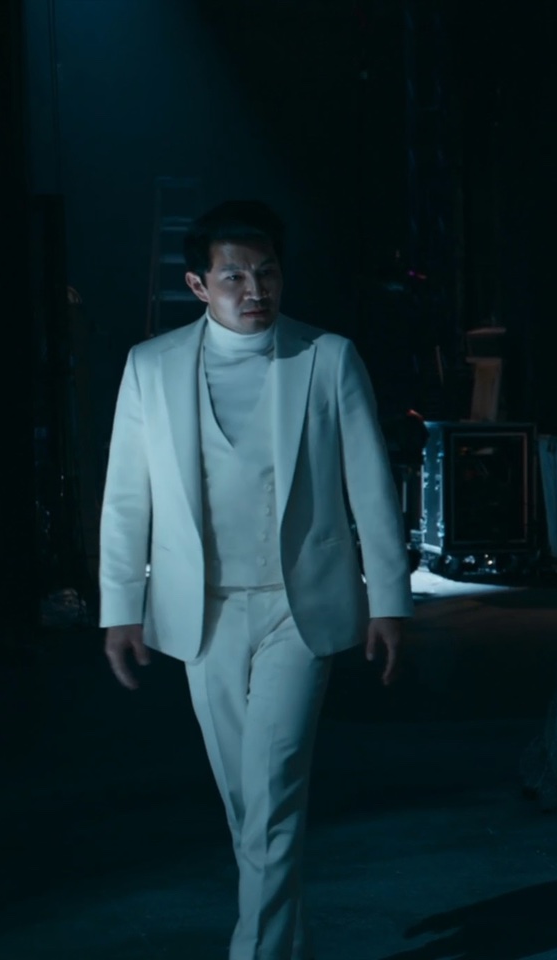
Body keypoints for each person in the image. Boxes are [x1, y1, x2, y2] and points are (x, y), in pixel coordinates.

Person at [96, 200, 412, 960]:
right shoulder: (150, 366)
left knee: (272, 790)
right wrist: (119, 608)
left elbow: (371, 485)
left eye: (266, 272)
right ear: (198, 285)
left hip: (297, 610)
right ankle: (286, 942)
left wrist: (389, 601)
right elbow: (126, 498)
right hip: (201, 613)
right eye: (234, 275)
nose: (255, 288)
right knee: (248, 804)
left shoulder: (327, 357)